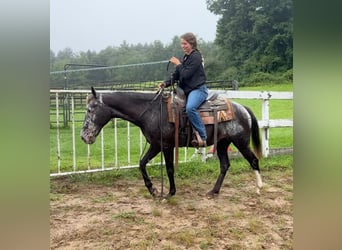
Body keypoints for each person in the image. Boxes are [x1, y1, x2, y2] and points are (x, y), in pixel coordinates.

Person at [159, 32, 208, 147]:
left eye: (185, 44)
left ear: (192, 43)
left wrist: (178, 64)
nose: (183, 46)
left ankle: (203, 135)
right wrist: (165, 83)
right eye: (182, 44)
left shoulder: (196, 56)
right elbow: (177, 75)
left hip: (198, 90)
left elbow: (186, 74)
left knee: (190, 108)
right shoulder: (185, 57)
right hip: (185, 91)